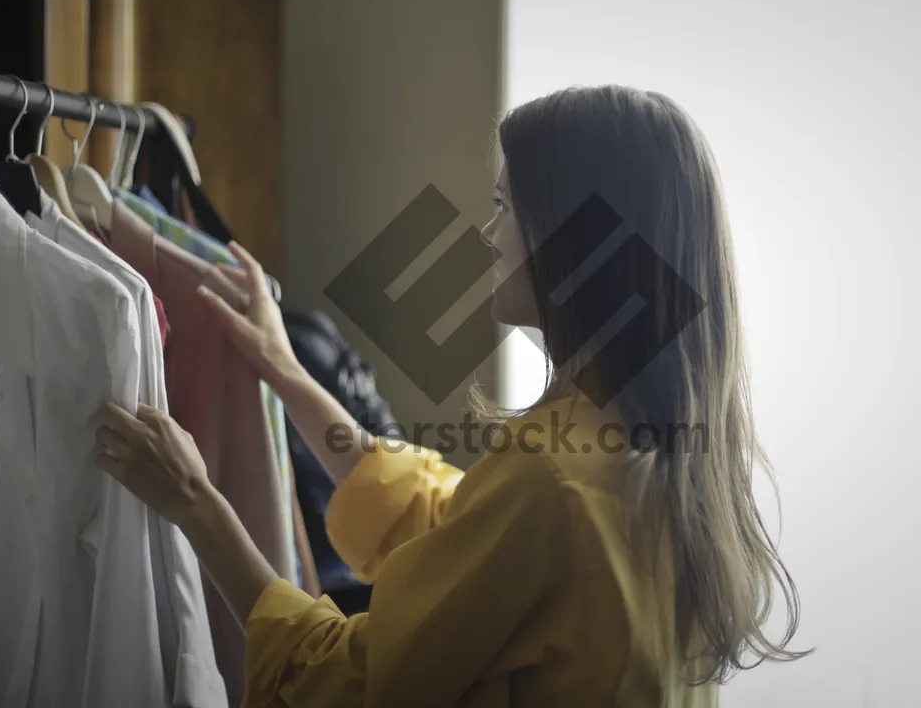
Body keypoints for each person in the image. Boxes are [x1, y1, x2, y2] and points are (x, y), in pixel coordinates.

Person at [94, 84, 811, 706]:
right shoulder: (647, 450)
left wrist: (194, 501)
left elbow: (351, 682)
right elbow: (450, 528)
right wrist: (287, 372)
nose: (487, 233)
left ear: (572, 238)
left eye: (504, 205)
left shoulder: (552, 482)